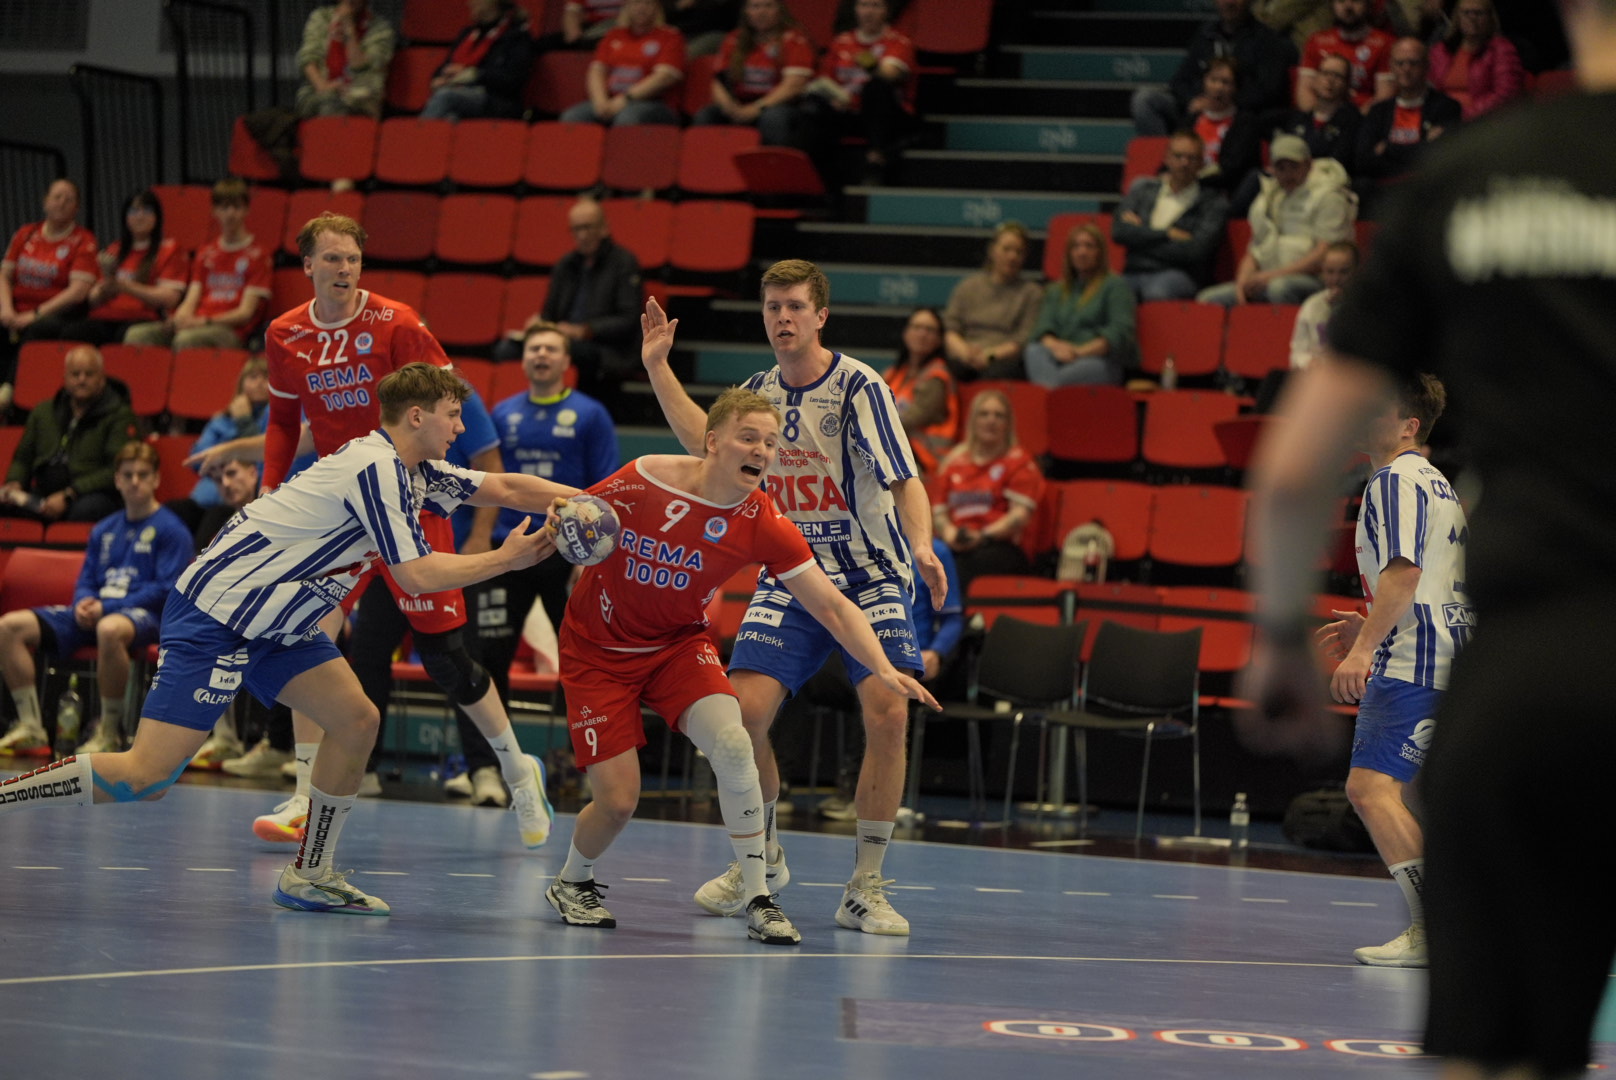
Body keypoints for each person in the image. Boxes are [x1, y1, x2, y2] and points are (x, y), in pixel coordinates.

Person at [1241, 1, 1616, 1071]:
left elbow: (1292, 469)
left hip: (1535, 657)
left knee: (1494, 1037)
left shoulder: (1474, 174)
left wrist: (1281, 636)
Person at [0, 365, 569, 916]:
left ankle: (310, 874)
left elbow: (505, 486)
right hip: (218, 614)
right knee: (145, 778)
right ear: (416, 416)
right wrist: (505, 559)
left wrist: (597, 500)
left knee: (356, 720)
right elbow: (415, 574)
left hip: (278, 623)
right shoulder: (375, 468)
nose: (461, 427)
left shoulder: (414, 471)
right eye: (453, 415)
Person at [542, 387, 941, 941]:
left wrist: (882, 666)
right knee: (618, 802)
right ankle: (572, 880)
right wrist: (538, 510)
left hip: (677, 647)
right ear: (712, 442)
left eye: (771, 443)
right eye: (748, 438)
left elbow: (830, 605)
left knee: (734, 741)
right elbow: (547, 496)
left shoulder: (764, 520)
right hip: (599, 654)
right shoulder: (646, 477)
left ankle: (759, 895)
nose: (761, 451)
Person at [642, 260, 948, 937]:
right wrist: (658, 366)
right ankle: (764, 857)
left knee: (888, 710)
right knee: (741, 718)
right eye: (772, 306)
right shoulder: (757, 393)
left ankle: (866, 886)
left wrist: (923, 545)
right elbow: (704, 442)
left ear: (820, 316)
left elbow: (905, 478)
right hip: (792, 575)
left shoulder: (859, 386)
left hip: (870, 575)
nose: (782, 317)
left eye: (794, 307)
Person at [253, 212, 554, 851]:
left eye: (352, 259)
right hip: (337, 507)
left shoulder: (396, 323)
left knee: (446, 659)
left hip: (404, 497)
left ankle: (515, 768)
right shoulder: (285, 332)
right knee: (304, 630)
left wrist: (455, 477)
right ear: (307, 265)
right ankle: (306, 793)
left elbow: (449, 402)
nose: (343, 269)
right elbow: (282, 420)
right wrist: (270, 485)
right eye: (331, 258)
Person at [1312, 373, 1467, 968]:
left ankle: (1436, 929)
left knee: (1369, 789)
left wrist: (1364, 651)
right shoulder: (1436, 481)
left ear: (1409, 425)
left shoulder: (1395, 479)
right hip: (1447, 649)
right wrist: (1373, 629)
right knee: (1420, 797)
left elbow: (1403, 573)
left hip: (1415, 658)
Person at [0, 442, 192, 757]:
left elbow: (166, 589)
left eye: (143, 475)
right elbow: (87, 579)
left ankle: (109, 732)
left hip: (146, 617)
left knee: (109, 628)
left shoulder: (172, 530)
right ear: (116, 479)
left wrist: (106, 608)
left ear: (156, 479)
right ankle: (31, 728)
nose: (135, 482)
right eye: (127, 475)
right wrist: (83, 603)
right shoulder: (104, 529)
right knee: (9, 627)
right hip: (98, 611)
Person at [478, 322, 617, 717]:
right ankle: (496, 750)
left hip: (568, 551)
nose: (541, 354)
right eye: (534, 348)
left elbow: (605, 486)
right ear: (522, 361)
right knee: (490, 652)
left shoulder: (591, 415)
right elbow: (491, 481)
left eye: (550, 349)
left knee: (579, 656)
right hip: (510, 547)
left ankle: (577, 749)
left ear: (566, 361)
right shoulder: (503, 413)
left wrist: (589, 558)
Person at [494, 200, 643, 406]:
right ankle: (523, 408)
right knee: (507, 349)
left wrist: (585, 330)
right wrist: (538, 324)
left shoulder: (624, 262)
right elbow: (549, 314)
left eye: (587, 227)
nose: (582, 235)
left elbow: (629, 319)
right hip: (563, 339)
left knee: (577, 352)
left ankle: (565, 407)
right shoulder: (565, 265)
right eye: (576, 229)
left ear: (604, 228)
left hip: (605, 347)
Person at [1197, 134, 1357, 306]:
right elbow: (1254, 250)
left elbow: (1324, 254)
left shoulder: (1329, 196)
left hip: (1314, 280)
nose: (1287, 174)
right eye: (1281, 168)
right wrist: (1242, 282)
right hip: (1267, 278)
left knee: (1280, 288)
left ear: (1308, 164)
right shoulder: (1267, 198)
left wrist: (1270, 276)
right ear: (1272, 169)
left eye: (1294, 167)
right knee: (1208, 299)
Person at [124, 179, 272, 351]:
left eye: (237, 207)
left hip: (231, 331)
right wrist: (179, 319)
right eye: (224, 207)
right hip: (197, 322)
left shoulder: (259, 255)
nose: (230, 214)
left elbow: (245, 313)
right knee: (137, 335)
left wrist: (202, 322)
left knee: (186, 339)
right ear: (215, 211)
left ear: (246, 210)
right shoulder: (205, 252)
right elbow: (192, 298)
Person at [30, 189, 187, 349]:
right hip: (105, 316)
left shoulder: (168, 249)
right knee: (74, 333)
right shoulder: (114, 249)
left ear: (157, 217)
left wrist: (125, 286)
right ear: (125, 217)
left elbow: (170, 298)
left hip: (142, 317)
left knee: (125, 337)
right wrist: (106, 288)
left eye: (147, 210)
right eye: (133, 211)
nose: (140, 216)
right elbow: (93, 299)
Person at [1, 345, 140, 523]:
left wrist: (70, 494)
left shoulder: (120, 415)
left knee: (86, 510)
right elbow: (22, 458)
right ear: (65, 378)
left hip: (90, 494)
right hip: (43, 493)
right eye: (75, 374)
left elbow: (118, 469)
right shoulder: (44, 412)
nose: (81, 380)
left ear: (102, 379)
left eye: (89, 374)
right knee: (6, 503)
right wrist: (15, 482)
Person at [932, 390, 1046, 588]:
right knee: (927, 558)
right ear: (973, 421)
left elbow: (1019, 516)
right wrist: (950, 533)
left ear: (1008, 424)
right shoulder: (953, 463)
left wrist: (983, 536)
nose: (991, 420)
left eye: (998, 415)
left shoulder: (1020, 463)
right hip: (957, 541)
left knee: (960, 566)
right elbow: (939, 512)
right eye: (984, 414)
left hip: (1000, 546)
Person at [1132, 0, 1297, 137]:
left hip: (1243, 116)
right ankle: (1172, 158)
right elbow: (1179, 81)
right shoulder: (1206, 34)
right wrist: (1194, 100)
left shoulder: (1267, 40)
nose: (1229, 2)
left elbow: (1269, 90)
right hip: (1200, 109)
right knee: (1145, 100)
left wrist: (1224, 103)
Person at [799, 0, 917, 185]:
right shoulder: (841, 42)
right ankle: (813, 176)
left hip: (885, 114)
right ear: (855, 10)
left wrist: (867, 61)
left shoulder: (898, 41)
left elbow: (890, 74)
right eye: (864, 5)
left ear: (887, 11)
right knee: (813, 106)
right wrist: (833, 97)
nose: (869, 12)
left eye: (876, 6)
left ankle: (876, 158)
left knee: (876, 87)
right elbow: (825, 79)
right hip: (845, 110)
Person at [0, 178, 97, 402]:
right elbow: (4, 276)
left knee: (39, 328)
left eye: (69, 199)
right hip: (15, 309)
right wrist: (6, 310)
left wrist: (35, 315)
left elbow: (77, 292)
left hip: (57, 313)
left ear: (77, 208)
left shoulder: (83, 240)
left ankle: (9, 391)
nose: (62, 203)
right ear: (45, 202)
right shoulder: (26, 233)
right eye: (57, 197)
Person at [1113, 130, 1230, 301]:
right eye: (1178, 156)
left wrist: (1141, 237)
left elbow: (1195, 251)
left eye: (1192, 158)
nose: (1184, 163)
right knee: (1108, 292)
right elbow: (1119, 231)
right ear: (1167, 158)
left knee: (1156, 292)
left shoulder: (1213, 203)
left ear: (1201, 163)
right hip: (1134, 271)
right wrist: (1166, 234)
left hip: (1179, 274)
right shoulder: (1143, 191)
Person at [166, 354, 271, 538]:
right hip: (204, 496)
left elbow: (262, 454)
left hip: (242, 497)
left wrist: (244, 421)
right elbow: (198, 458)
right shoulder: (222, 418)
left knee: (214, 520)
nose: (260, 383)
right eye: (253, 377)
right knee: (169, 513)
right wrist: (228, 453)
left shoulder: (273, 417)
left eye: (266, 377)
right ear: (241, 384)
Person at [1024, 224, 1138, 387]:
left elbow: (1119, 333)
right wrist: (1057, 347)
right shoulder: (1056, 290)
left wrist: (1078, 352)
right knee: (1033, 350)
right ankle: (1052, 392)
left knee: (1056, 380)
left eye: (1089, 246)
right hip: (1059, 356)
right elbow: (1042, 329)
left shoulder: (1115, 286)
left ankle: (1048, 394)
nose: (1082, 252)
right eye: (1076, 247)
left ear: (1100, 252)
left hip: (1098, 360)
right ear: (1069, 253)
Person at [691, 0, 815, 148]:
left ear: (780, 10)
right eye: (755, 7)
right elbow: (718, 81)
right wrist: (729, 108)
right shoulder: (734, 39)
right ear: (746, 12)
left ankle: (771, 162)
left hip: (779, 105)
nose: (761, 12)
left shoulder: (795, 40)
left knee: (773, 118)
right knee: (707, 115)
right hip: (741, 104)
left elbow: (794, 86)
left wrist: (756, 109)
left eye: (768, 6)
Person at [1356, 38, 1463, 197]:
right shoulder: (1379, 111)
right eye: (1400, 63)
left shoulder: (1447, 107)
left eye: (1413, 63)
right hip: (1384, 191)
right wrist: (1422, 145)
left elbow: (1439, 156)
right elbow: (1362, 161)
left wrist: (1388, 148)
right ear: (1391, 67)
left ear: (1426, 66)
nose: (1406, 69)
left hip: (1428, 187)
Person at [941, 221, 1043, 381]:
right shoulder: (968, 287)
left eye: (1019, 252)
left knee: (999, 372)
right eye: (1006, 249)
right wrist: (964, 352)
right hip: (966, 354)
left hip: (1003, 359)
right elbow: (950, 329)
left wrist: (988, 356)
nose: (1012, 256)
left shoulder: (1032, 293)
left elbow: (1023, 339)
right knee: (941, 370)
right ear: (992, 251)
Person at [560, 0, 686, 127]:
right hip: (611, 99)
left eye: (647, 4)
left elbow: (664, 78)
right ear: (627, 7)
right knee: (573, 116)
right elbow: (597, 71)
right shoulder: (614, 35)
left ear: (657, 8)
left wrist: (625, 100)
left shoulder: (670, 36)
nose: (641, 8)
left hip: (654, 103)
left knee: (628, 117)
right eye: (636, 4)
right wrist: (600, 101)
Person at [421, 0, 536, 121]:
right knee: (449, 118)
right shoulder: (468, 34)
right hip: (460, 94)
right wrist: (438, 78)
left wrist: (475, 74)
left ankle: (419, 131)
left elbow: (513, 79)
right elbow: (447, 65)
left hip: (494, 100)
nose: (470, 3)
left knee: (445, 97)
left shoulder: (517, 37)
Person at [882, 306, 958, 476]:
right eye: (916, 327)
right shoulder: (894, 373)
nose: (922, 334)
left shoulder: (937, 377)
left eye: (929, 330)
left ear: (939, 339)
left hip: (925, 459)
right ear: (906, 333)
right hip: (896, 449)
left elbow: (908, 421)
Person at [1269, 51, 1364, 176]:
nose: (1330, 80)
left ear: (1346, 84)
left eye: (1337, 76)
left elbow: (1339, 161)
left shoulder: (1353, 120)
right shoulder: (1298, 118)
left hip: (1328, 179)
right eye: (1325, 73)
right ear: (1315, 79)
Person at [296, 0, 395, 119]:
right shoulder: (322, 17)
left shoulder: (381, 29)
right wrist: (322, 85)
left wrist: (348, 26)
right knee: (328, 104)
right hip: (320, 93)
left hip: (362, 96)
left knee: (346, 108)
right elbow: (308, 58)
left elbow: (359, 65)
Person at [1427, 0, 1524, 119]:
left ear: (1489, 18)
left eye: (1478, 13)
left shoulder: (1501, 49)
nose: (1472, 18)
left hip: (1483, 120)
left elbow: (1506, 94)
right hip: (1441, 117)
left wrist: (1461, 115)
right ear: (1458, 17)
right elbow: (1428, 89)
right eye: (1466, 13)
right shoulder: (1441, 50)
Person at [1295, 0, 1397, 111]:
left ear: (1367, 5)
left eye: (1355, 1)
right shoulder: (1317, 41)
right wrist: (1319, 117)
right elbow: (1305, 91)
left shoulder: (1385, 44)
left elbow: (1384, 96)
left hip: (1366, 116)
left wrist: (1353, 119)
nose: (1348, 6)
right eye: (1341, 1)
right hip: (1323, 114)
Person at [1289, 239, 1358, 371]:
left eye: (1344, 272)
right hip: (1318, 374)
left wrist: (1339, 308)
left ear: (1357, 271)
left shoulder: (1367, 306)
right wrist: (1308, 362)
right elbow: (1297, 353)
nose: (1336, 279)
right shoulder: (1312, 305)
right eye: (1330, 272)